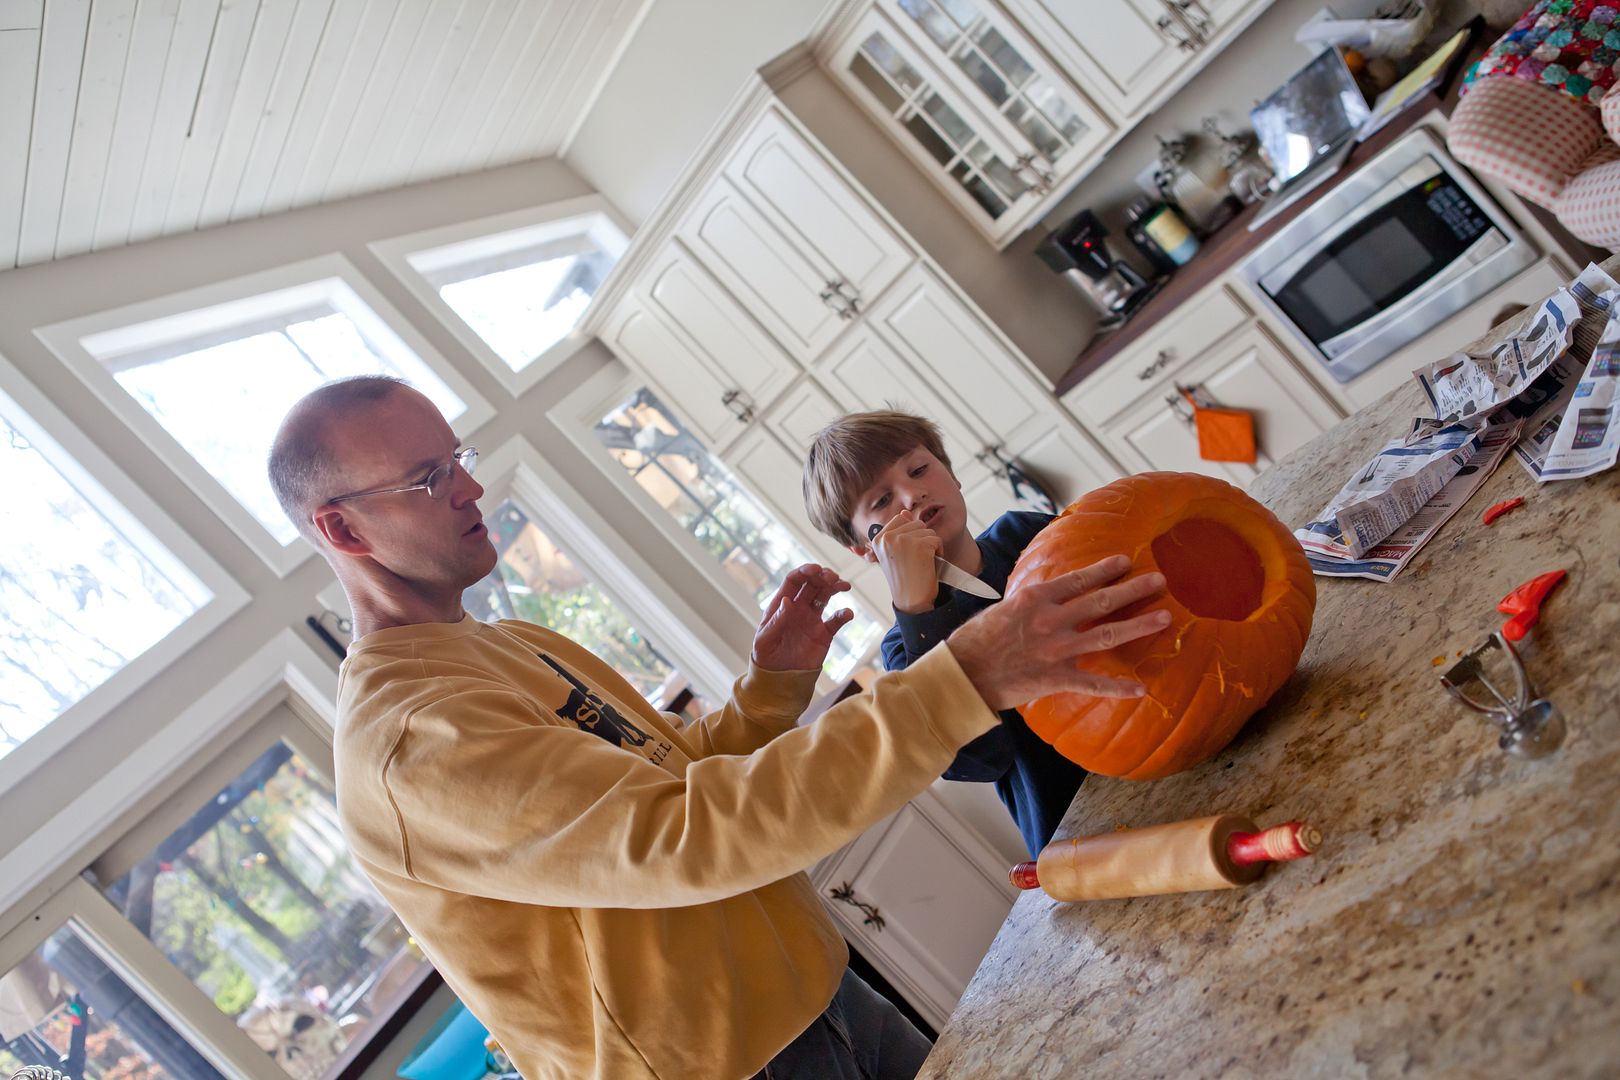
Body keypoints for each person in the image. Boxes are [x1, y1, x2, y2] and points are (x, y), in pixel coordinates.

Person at [266, 376, 1169, 1080]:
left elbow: (674, 777)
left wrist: (771, 689)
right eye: (430, 478)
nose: (470, 486)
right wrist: (963, 675)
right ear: (344, 529)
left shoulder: (505, 644)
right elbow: (683, 839)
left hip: (823, 998)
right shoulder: (412, 736)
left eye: (457, 456)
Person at [802, 410, 1089, 857]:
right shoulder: (904, 650)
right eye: (881, 501)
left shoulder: (1028, 535)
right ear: (865, 548)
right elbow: (980, 759)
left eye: (919, 470)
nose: (912, 494)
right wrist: (917, 610)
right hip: (1079, 833)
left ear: (951, 474)